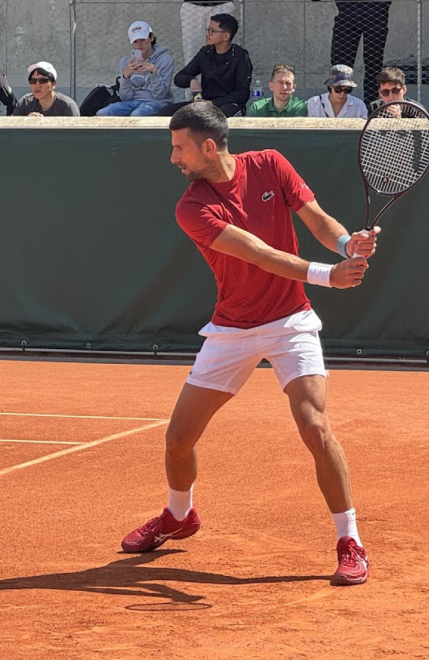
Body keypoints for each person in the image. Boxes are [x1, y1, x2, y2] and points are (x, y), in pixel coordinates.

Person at [119, 102, 380, 586]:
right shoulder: (192, 206)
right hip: (232, 329)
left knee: (314, 425)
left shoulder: (271, 164)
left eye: (179, 148)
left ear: (208, 146)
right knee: (178, 439)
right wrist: (331, 276)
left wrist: (347, 245)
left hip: (291, 322)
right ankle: (180, 515)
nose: (173, 157)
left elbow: (319, 221)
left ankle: (350, 541)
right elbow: (257, 254)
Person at [161, 14, 252, 117]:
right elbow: (179, 78)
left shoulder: (240, 56)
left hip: (228, 104)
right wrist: (191, 80)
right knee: (165, 112)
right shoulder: (206, 52)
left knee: (218, 116)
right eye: (208, 30)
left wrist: (213, 104)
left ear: (226, 36)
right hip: (204, 103)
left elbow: (243, 93)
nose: (207, 34)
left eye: (212, 31)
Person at [98, 21, 175, 117]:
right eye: (135, 41)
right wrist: (125, 77)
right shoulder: (125, 61)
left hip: (157, 102)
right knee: (103, 113)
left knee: (137, 114)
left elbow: (160, 96)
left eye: (142, 39)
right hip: (133, 102)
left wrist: (154, 72)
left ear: (151, 37)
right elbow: (125, 98)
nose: (139, 44)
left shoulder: (165, 60)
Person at [324, 0, 391, 105]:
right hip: (347, 11)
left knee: (373, 64)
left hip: (376, 11)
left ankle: (371, 108)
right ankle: (338, 107)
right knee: (340, 67)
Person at [13, 62, 80, 117]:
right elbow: (11, 129)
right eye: (33, 81)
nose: (37, 85)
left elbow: (75, 133)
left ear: (53, 84)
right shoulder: (25, 102)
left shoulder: (67, 107)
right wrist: (25, 122)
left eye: (43, 80)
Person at [181, 0, 235, 67]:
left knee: (222, 48)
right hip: (192, 6)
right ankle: (191, 77)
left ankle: (222, 76)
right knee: (191, 50)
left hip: (222, 4)